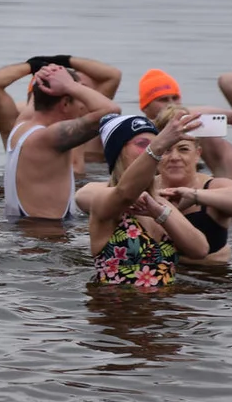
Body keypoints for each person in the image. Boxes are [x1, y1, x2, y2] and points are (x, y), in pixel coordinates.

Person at [76, 106, 232, 265]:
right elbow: (96, 195)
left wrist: (189, 197)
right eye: (165, 149)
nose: (174, 157)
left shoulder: (163, 203)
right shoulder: (117, 197)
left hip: (196, 291)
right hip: (120, 303)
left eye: (183, 149)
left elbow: (200, 249)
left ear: (197, 153)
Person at [87, 113, 209, 288]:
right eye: (143, 145)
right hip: (116, 311)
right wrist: (158, 145)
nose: (155, 151)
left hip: (161, 311)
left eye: (156, 145)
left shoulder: (161, 204)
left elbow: (200, 250)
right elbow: (125, 193)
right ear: (118, 151)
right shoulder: (104, 200)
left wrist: (160, 213)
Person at [1, 65, 120, 219]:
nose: (83, 107)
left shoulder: (21, 125)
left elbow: (38, 94)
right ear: (65, 104)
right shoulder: (48, 138)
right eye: (79, 101)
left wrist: (44, 73)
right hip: (48, 236)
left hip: (23, 230)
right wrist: (71, 85)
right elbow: (112, 112)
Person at [0, 54, 122, 170]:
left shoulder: (80, 115)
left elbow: (113, 76)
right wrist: (36, 65)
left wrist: (57, 61)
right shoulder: (18, 125)